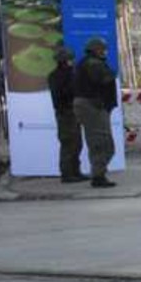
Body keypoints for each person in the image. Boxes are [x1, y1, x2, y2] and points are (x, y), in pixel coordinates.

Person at [72, 37, 118, 189]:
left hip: (89, 105)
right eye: (102, 49)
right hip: (93, 106)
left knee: (97, 141)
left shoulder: (85, 63)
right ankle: (98, 176)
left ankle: (98, 173)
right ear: (96, 50)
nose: (104, 52)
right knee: (103, 143)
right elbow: (107, 79)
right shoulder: (94, 64)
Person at [47, 46, 85, 183]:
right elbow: (66, 93)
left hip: (70, 112)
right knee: (69, 143)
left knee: (76, 143)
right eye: (69, 59)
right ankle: (68, 174)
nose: (71, 61)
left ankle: (75, 171)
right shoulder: (63, 75)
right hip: (66, 112)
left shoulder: (61, 74)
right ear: (65, 60)